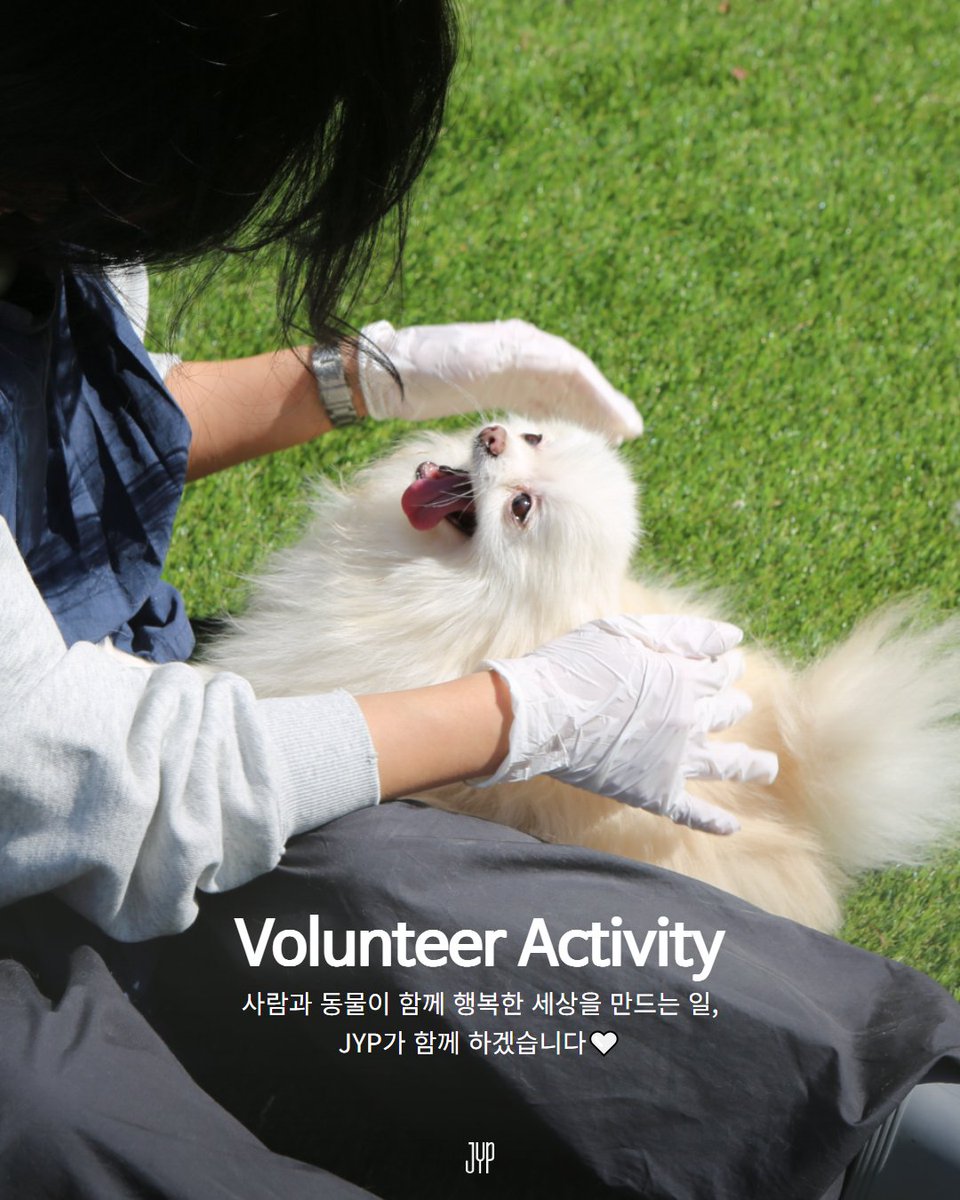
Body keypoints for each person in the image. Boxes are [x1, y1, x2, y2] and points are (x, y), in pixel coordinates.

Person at [0, 5, 957, 1198]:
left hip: (106, 722)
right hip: (54, 787)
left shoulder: (57, 200)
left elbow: (61, 443)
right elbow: (81, 783)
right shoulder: (66, 171)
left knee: (402, 893)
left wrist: (348, 379)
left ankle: (891, 1120)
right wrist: (524, 709)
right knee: (65, 1115)